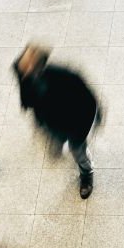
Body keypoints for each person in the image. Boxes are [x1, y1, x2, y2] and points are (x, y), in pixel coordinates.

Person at [13, 44, 100, 199]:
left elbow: (88, 96)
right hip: (51, 122)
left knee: (77, 149)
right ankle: (58, 145)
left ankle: (86, 173)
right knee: (56, 139)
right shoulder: (22, 74)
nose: (22, 64)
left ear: (39, 64)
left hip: (73, 123)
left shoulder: (63, 75)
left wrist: (94, 117)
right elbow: (26, 95)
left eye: (28, 61)